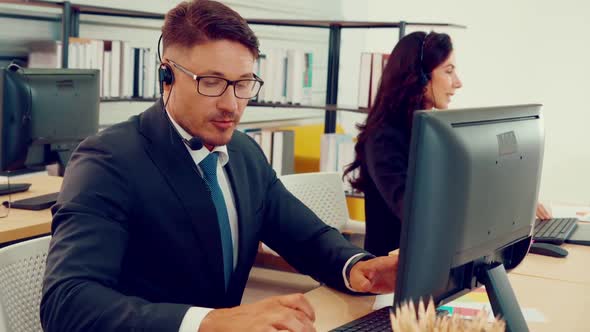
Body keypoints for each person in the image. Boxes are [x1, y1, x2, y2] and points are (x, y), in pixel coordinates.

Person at [40, 1, 397, 331]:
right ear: (167, 76)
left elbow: (307, 237)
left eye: (243, 84)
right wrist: (207, 323)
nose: (231, 104)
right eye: (211, 82)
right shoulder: (108, 159)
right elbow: (67, 302)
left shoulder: (244, 153)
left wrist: (358, 269)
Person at [344, 31, 551, 258]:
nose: (458, 82)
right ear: (420, 76)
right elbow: (418, 213)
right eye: (449, 71)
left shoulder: (430, 131)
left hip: (438, 257)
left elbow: (461, 190)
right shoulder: (384, 138)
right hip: (396, 271)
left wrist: (517, 205)